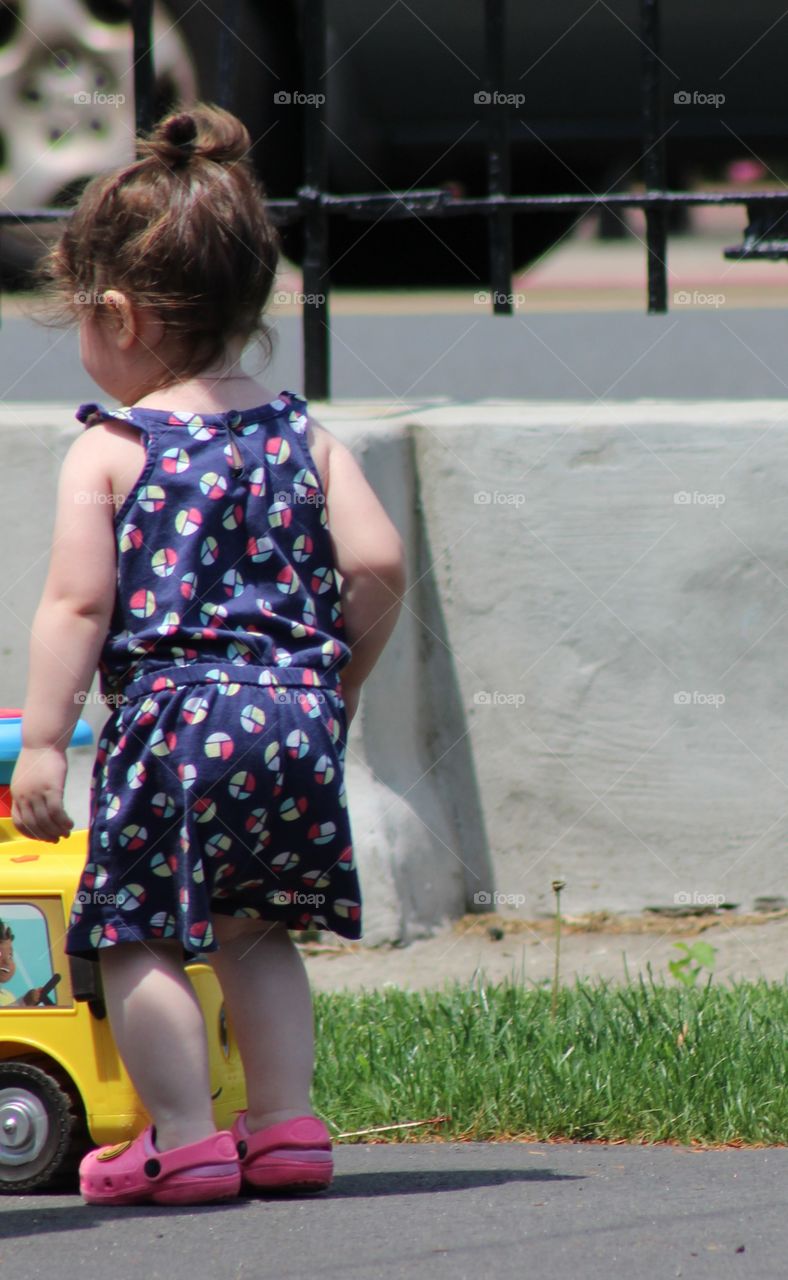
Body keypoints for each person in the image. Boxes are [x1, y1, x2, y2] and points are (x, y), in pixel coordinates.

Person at [10, 104, 405, 1207]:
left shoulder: (114, 448)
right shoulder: (302, 434)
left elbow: (77, 603)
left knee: (135, 937)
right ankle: (284, 1127)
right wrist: (332, 684)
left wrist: (45, 741)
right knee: (256, 929)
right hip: (291, 720)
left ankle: (182, 1137)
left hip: (174, 724)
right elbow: (378, 564)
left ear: (119, 314)